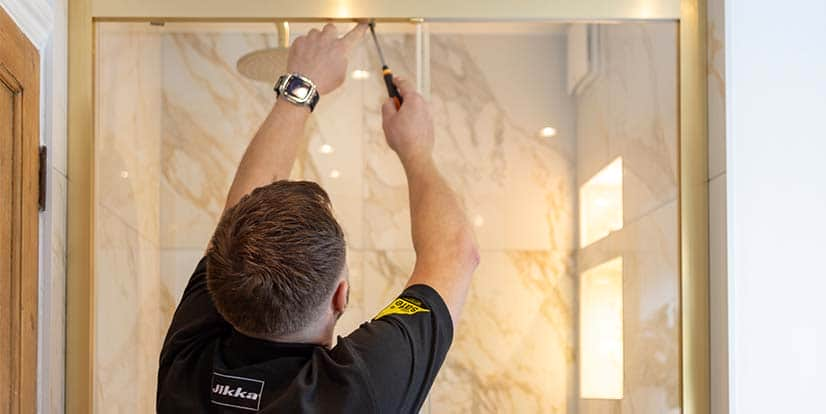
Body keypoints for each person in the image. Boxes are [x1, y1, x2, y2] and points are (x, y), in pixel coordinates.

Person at [156, 23, 480, 413]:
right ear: (341, 296)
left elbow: (454, 253)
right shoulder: (357, 388)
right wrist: (416, 149)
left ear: (220, 285)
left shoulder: (188, 364)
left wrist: (302, 85)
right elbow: (454, 253)